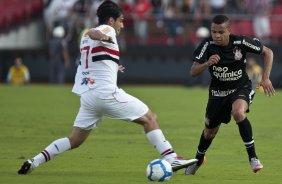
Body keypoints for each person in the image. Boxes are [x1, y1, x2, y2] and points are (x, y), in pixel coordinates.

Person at [17, 0, 197, 175]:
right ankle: (171, 157)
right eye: (121, 20)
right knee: (150, 118)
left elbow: (91, 59)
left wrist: (112, 65)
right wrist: (101, 34)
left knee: (75, 139)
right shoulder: (106, 29)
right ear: (111, 20)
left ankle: (35, 161)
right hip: (105, 94)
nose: (122, 25)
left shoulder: (85, 41)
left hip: (88, 97)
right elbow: (93, 32)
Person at [185, 15, 275, 175]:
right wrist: (207, 64)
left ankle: (253, 158)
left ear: (229, 31)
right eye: (214, 31)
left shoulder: (240, 42)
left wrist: (266, 78)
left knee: (238, 113)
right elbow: (193, 71)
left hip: (241, 87)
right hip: (217, 93)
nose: (217, 35)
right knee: (209, 132)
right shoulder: (207, 45)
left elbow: (268, 52)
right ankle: (198, 161)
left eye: (221, 32)